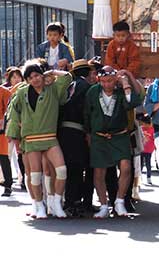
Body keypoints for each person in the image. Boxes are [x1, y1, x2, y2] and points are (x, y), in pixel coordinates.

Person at [6, 61, 72, 219]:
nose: (34, 79)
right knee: (34, 175)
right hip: (30, 139)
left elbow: (68, 77)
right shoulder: (22, 93)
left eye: (37, 75)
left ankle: (56, 202)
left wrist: (51, 73)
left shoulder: (52, 89)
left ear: (42, 75)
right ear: (27, 80)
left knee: (61, 170)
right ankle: (39, 205)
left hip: (49, 137)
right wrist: (15, 139)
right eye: (30, 77)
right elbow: (13, 116)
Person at [84, 66, 142, 218]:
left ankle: (120, 201)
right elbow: (87, 114)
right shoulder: (93, 92)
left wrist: (126, 81)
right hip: (99, 136)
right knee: (99, 171)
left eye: (109, 81)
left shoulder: (120, 91)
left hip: (120, 135)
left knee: (126, 167)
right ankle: (103, 205)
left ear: (115, 80)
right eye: (103, 81)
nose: (106, 85)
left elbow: (133, 102)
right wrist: (88, 134)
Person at [58, 58, 95, 217]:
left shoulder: (68, 85)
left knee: (69, 168)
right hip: (78, 132)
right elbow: (88, 112)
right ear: (88, 73)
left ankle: (69, 201)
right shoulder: (87, 87)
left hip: (63, 131)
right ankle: (75, 202)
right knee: (77, 168)